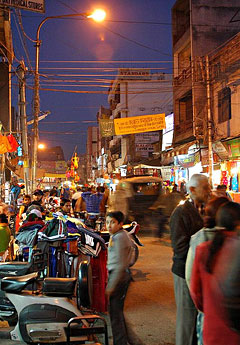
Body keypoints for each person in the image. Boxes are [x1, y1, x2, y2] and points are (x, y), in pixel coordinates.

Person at [169, 173, 211, 345]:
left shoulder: (205, 210)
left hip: (199, 271)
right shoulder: (180, 213)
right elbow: (180, 248)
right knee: (187, 318)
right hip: (184, 271)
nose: (209, 191)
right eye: (206, 187)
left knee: (198, 317)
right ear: (192, 189)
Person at [190, 202, 240, 345]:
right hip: (234, 333)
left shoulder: (203, 249)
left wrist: (209, 309)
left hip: (212, 329)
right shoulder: (235, 249)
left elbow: (195, 292)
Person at [185, 196, 229, 345]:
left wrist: (205, 308)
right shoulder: (204, 243)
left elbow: (192, 282)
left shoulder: (199, 239)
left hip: (208, 314)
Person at [105, 211, 136, 345]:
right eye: (107, 222)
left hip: (119, 278)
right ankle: (131, 341)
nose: (109, 226)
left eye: (112, 222)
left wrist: (111, 286)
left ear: (120, 224)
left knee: (115, 314)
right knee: (117, 312)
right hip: (120, 276)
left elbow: (119, 265)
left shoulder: (119, 238)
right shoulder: (119, 236)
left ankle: (121, 341)